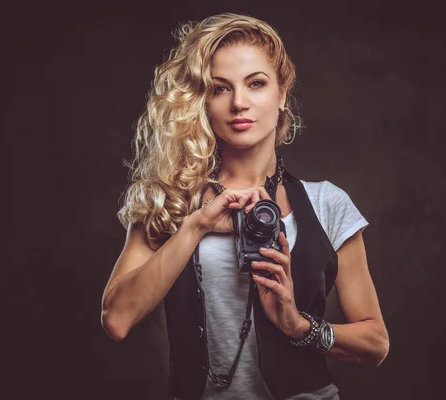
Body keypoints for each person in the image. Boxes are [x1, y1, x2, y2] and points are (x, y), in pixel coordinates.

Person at [101, 13, 389, 400]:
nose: (239, 103)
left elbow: (375, 344)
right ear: (202, 100)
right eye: (220, 89)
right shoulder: (169, 200)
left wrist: (298, 325)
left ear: (282, 92)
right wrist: (194, 227)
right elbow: (116, 320)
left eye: (256, 83)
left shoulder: (327, 203)